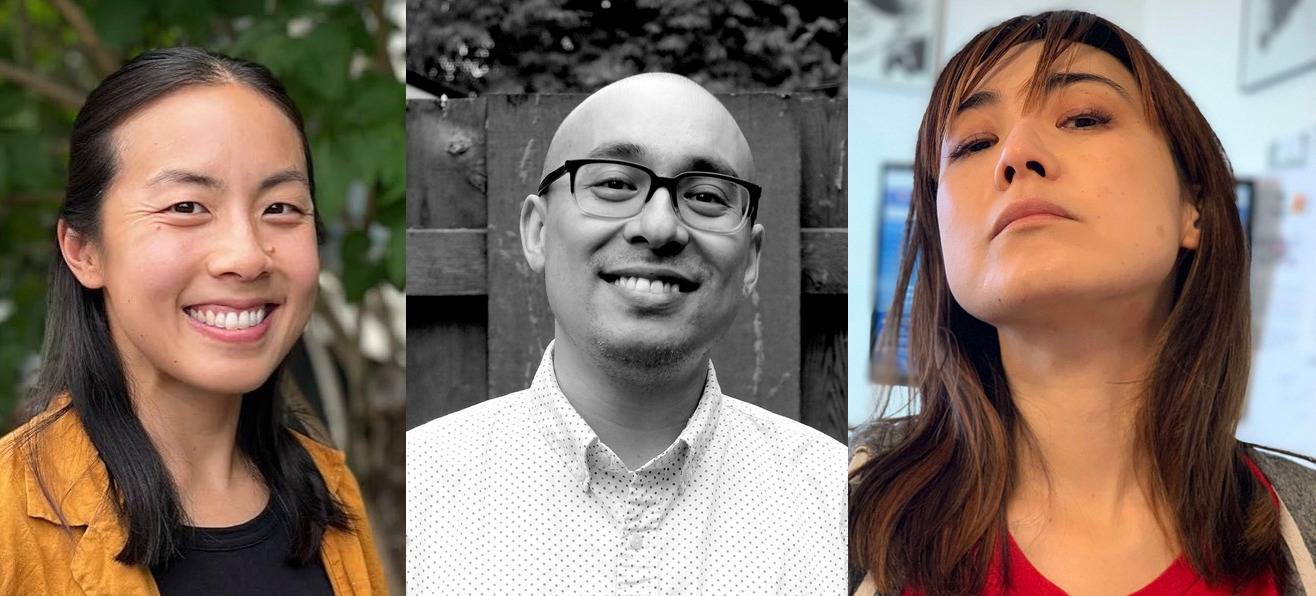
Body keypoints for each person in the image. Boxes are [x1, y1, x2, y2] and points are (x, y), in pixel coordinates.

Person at [849, 11, 1316, 596]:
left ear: (1191, 207)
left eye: (1084, 118)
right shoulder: (829, 506)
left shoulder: (1302, 526)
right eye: (974, 143)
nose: (1016, 154)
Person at [407, 72, 847, 594]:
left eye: (706, 195)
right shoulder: (414, 496)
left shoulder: (841, 507)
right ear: (537, 231)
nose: (659, 228)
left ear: (750, 260)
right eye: (615, 185)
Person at [0, 48, 385, 594]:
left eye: (280, 208)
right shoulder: (9, 519)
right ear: (84, 250)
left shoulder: (330, 490)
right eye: (186, 207)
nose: (246, 256)